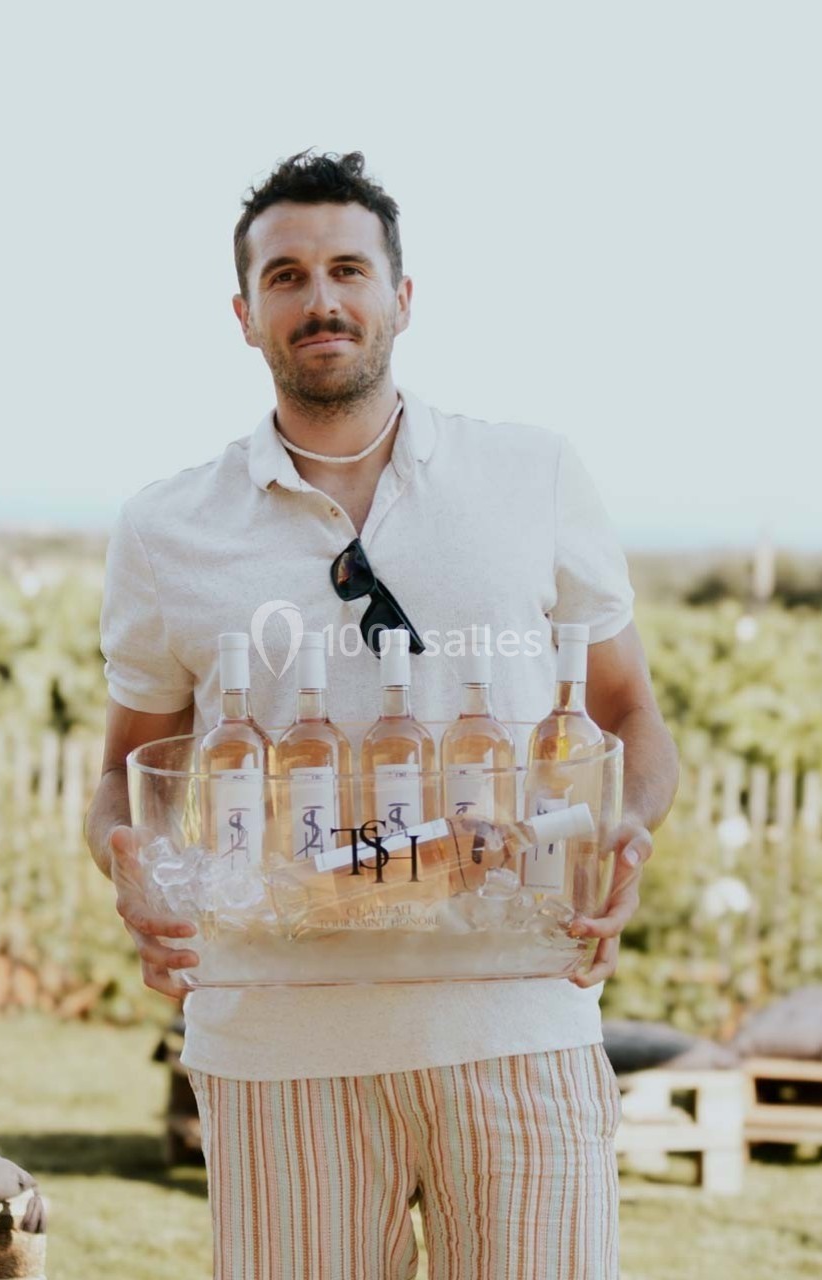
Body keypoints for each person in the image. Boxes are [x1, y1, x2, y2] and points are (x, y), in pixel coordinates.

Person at [86, 150, 678, 1280]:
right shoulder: (167, 525)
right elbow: (124, 771)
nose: (321, 299)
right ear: (245, 312)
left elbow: (629, 716)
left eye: (348, 269)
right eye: (288, 276)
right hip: (273, 1041)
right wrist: (133, 863)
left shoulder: (533, 475)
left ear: (400, 298)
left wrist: (619, 827)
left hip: (518, 1018)